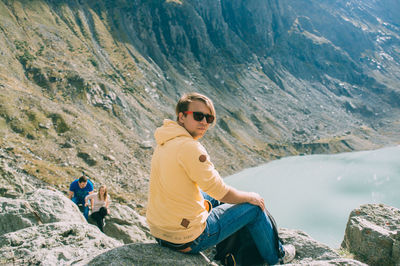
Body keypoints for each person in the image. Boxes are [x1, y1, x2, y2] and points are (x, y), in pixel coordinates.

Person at [146, 92, 296, 264]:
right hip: (187, 238)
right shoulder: (190, 148)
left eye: (209, 118)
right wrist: (251, 197)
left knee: (209, 197)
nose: (204, 122)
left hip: (160, 232)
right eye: (198, 116)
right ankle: (278, 255)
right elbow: (220, 192)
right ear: (181, 117)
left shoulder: (166, 141)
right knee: (253, 208)